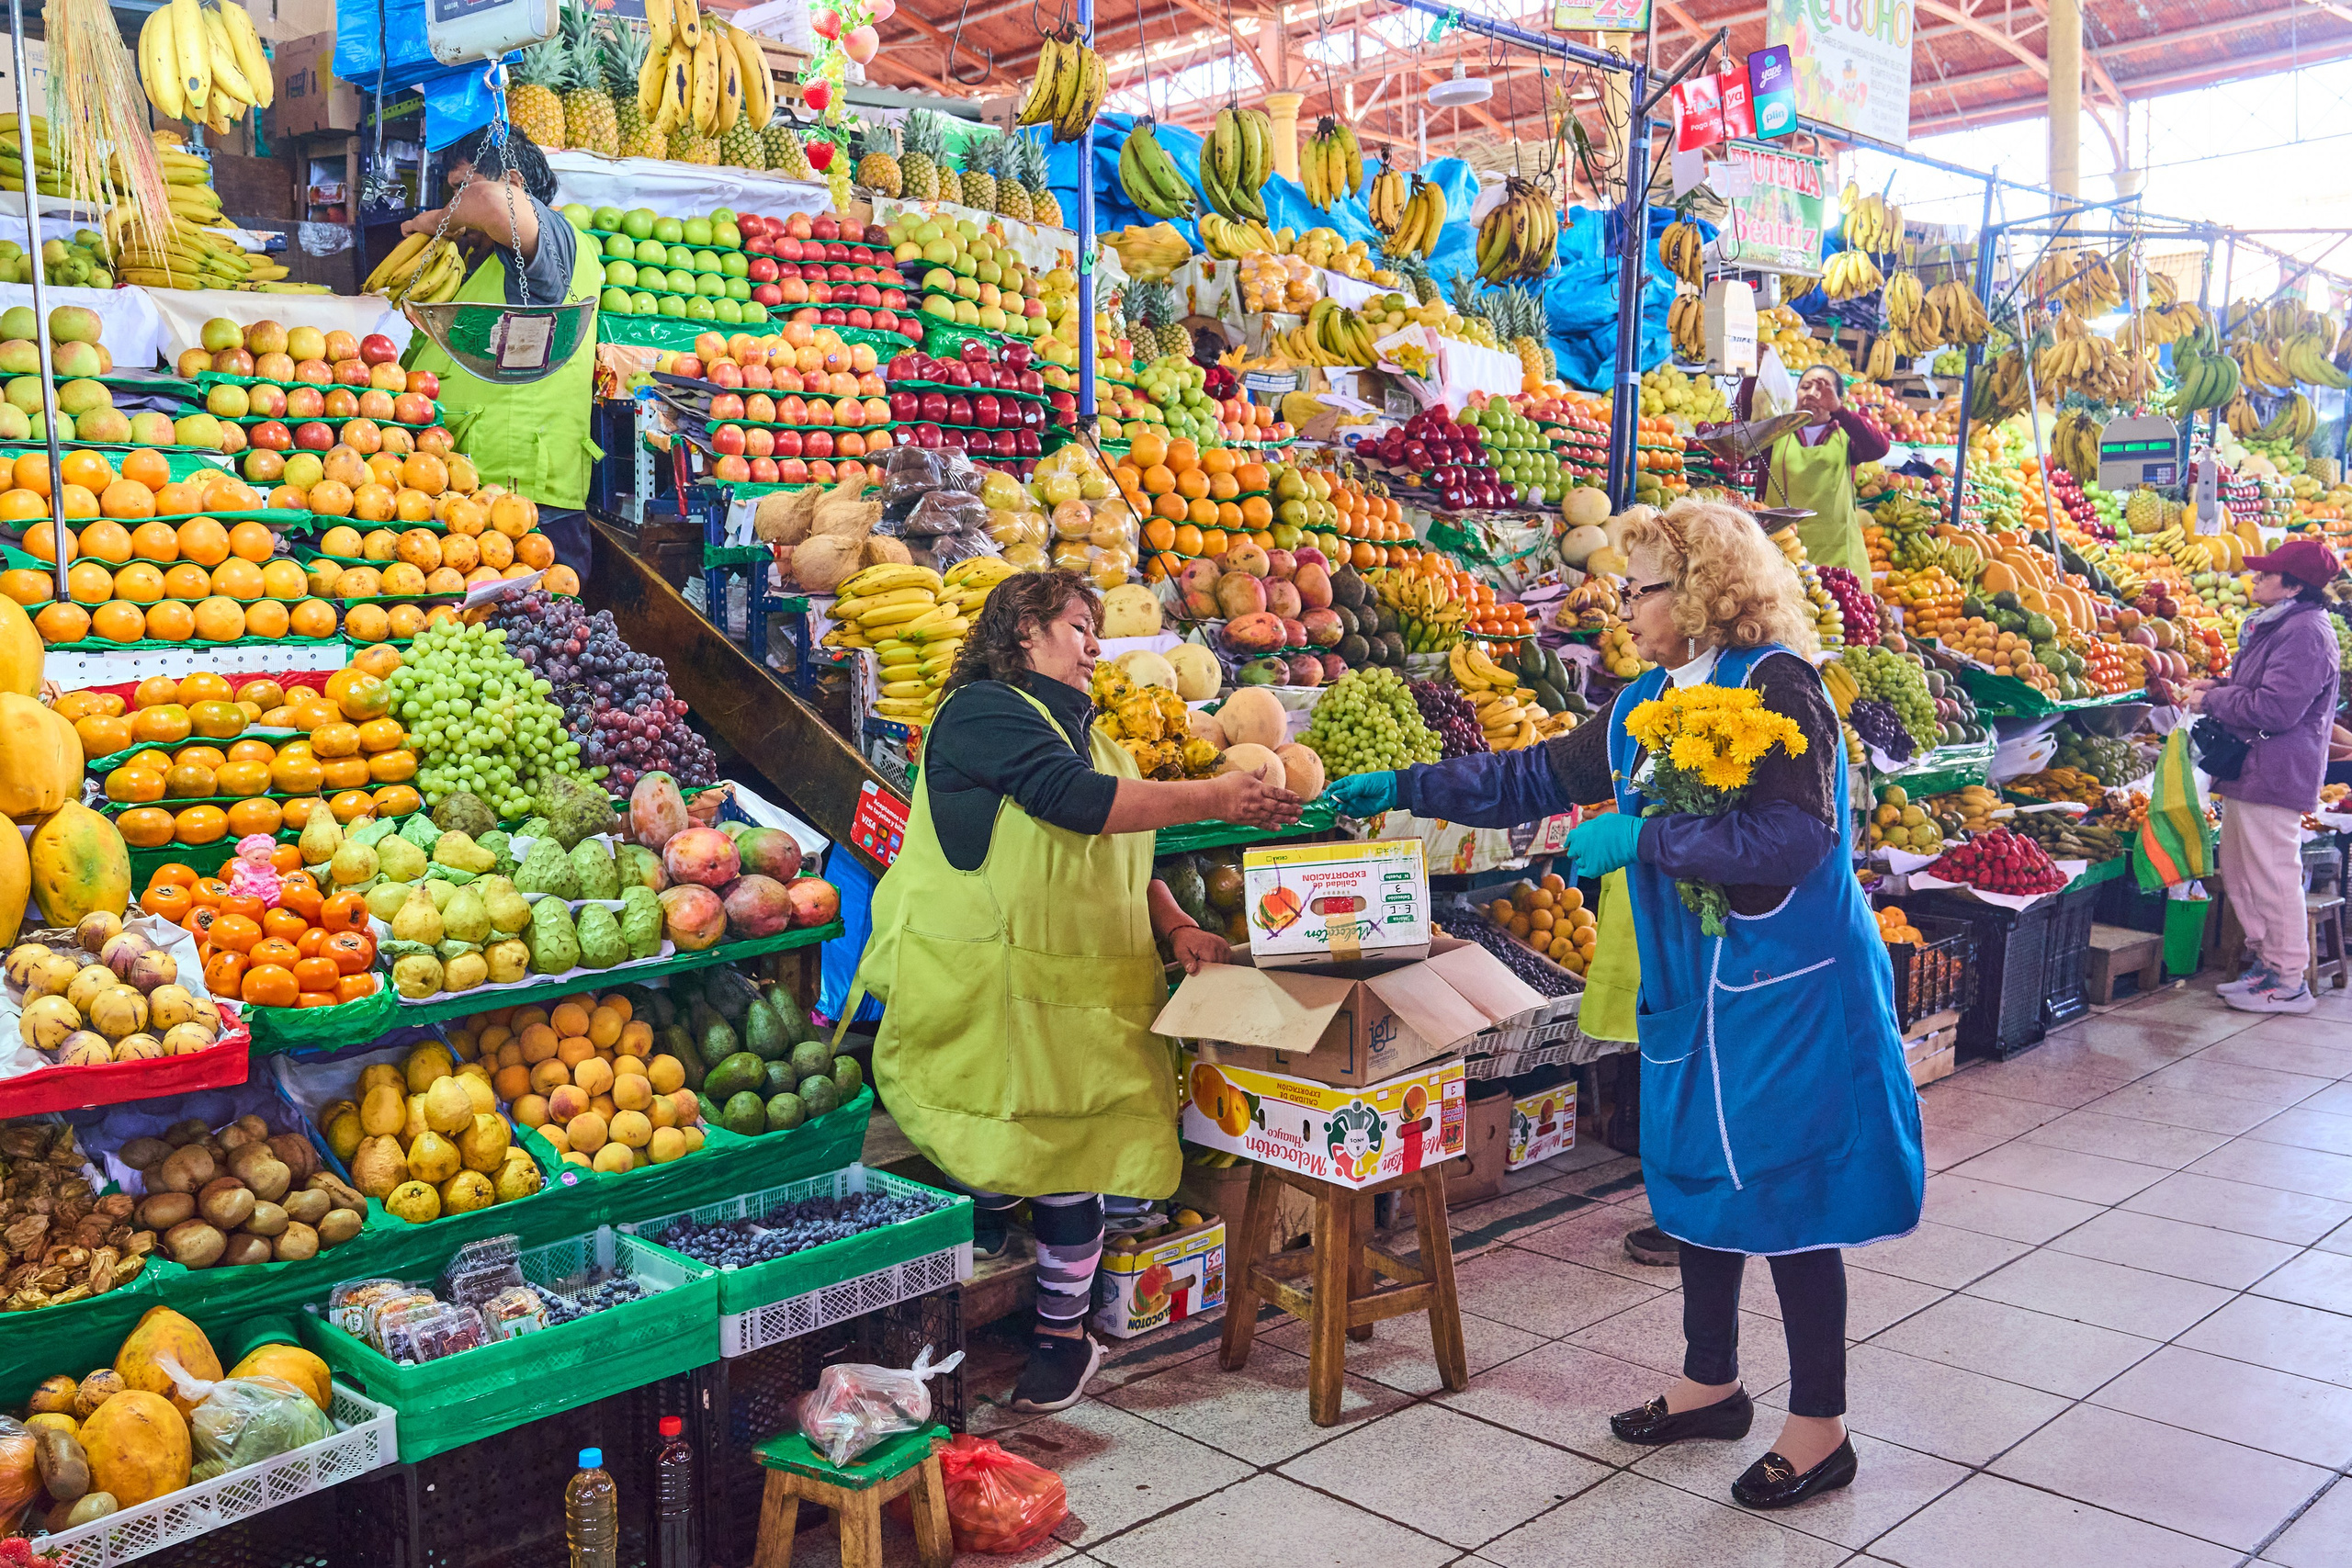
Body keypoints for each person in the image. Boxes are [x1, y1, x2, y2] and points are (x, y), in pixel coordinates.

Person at [1326, 500, 1923, 1510]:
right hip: (1693, 985)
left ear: (1698, 592)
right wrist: (1404, 785)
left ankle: (1819, 1426)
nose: (1622, 607)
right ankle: (1710, 1382)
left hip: (1787, 984)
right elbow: (1531, 775)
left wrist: (1642, 842)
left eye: (1639, 587)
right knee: (1696, 1176)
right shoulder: (1643, 698)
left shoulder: (1782, 687)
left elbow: (1792, 841)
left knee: (1786, 1193)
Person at [842, 570, 1300, 1413]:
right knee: (987, 1137)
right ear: (1024, 628)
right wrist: (1218, 794)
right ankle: (977, 1233)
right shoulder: (983, 711)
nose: (1096, 646)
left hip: (1068, 996)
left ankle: (1064, 1336)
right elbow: (1072, 805)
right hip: (975, 988)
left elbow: (1123, 856)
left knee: (1070, 1159)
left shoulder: (1092, 739)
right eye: (1080, 625)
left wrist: (1174, 927)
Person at [401, 125, 601, 578]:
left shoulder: (553, 244)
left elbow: (492, 203)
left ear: (513, 182)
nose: (455, 209)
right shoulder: (481, 260)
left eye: (459, 190)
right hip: (468, 494)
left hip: (526, 501)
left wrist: (431, 221)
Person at [2188, 537, 2344, 1014]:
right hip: (2251, 767)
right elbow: (2258, 690)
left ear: (2293, 585)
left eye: (2266, 574)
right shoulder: (2279, 626)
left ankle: (2289, 980)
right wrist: (2217, 687)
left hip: (2275, 771)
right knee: (2243, 872)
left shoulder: (2305, 634)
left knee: (2274, 876)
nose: (2255, 579)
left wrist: (2211, 700)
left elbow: (2275, 709)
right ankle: (2265, 966)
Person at [1756, 365, 1888, 574]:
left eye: (1822, 390)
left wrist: (1840, 412)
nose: (1811, 394)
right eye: (1805, 387)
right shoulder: (1775, 433)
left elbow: (1879, 447)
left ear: (1838, 400)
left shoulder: (1847, 437)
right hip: (1781, 553)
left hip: (1838, 557)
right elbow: (1759, 487)